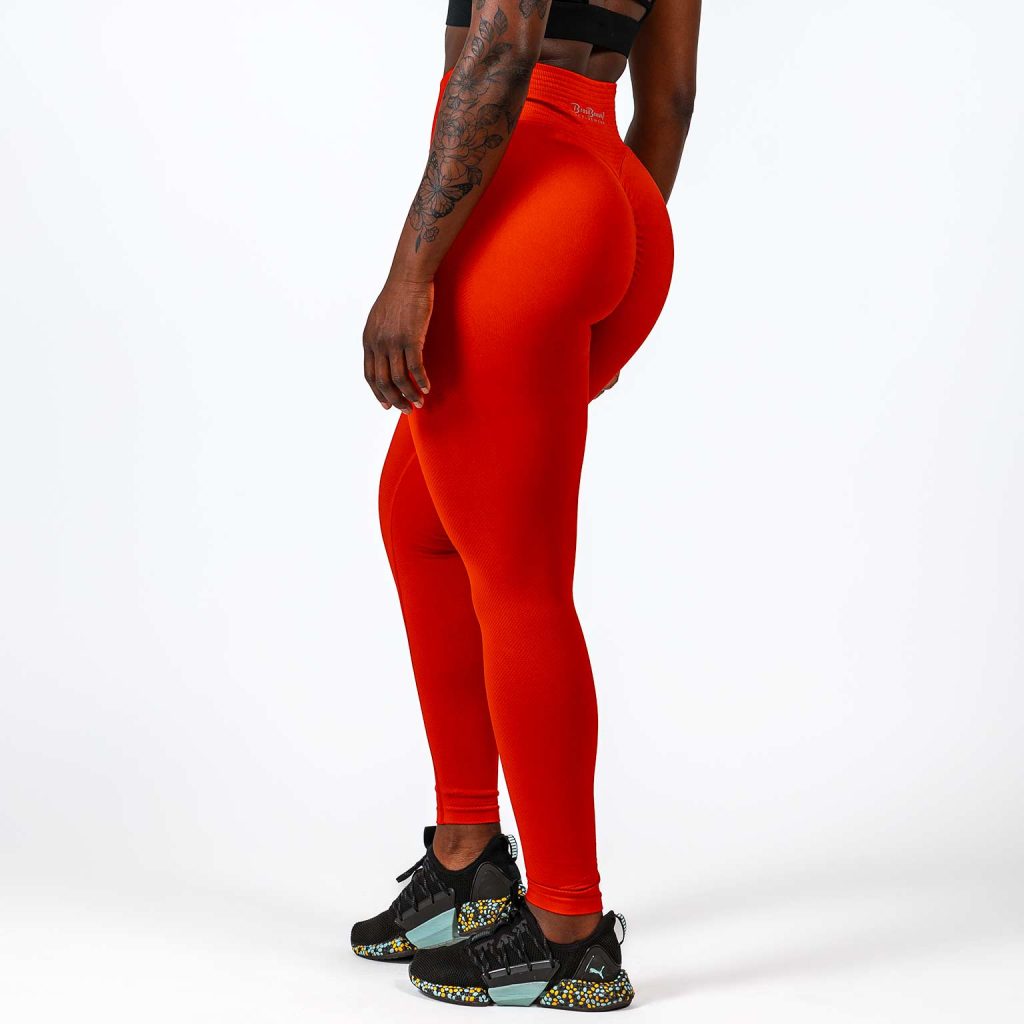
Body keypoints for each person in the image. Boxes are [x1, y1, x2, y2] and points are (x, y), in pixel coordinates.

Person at [353, 0, 701, 1008]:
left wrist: (411, 272)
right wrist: (605, 247)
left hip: (527, 195)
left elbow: (503, 48)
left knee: (518, 579)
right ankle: (468, 859)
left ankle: (567, 932)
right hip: (613, 195)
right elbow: (671, 101)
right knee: (419, 520)